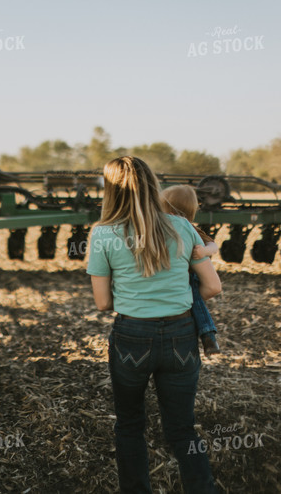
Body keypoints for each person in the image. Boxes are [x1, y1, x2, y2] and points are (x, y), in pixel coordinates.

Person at [86, 156, 221, 493]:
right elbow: (212, 286)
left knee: (130, 425)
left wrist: (137, 299)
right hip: (181, 335)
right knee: (182, 429)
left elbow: (102, 303)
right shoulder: (183, 227)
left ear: (111, 190)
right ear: (152, 185)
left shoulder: (103, 234)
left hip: (132, 336)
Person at [161, 185, 221, 356]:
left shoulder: (189, 228)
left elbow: (213, 245)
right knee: (195, 301)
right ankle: (208, 335)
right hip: (175, 276)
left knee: (195, 298)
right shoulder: (162, 227)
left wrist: (204, 251)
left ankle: (208, 335)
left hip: (188, 276)